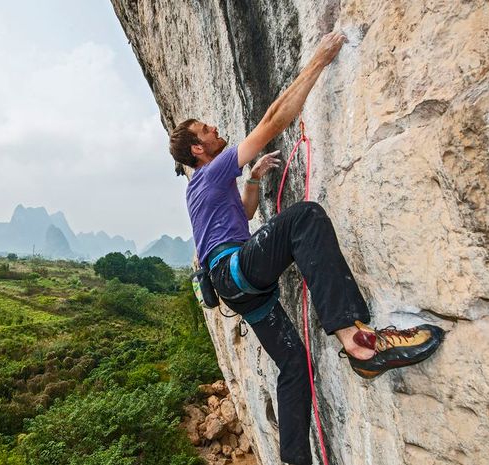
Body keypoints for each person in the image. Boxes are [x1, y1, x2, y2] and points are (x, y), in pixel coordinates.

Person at [169, 32, 444, 465]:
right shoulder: (214, 168)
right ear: (199, 149)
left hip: (239, 289)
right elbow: (273, 120)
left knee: (295, 365)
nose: (216, 128)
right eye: (207, 129)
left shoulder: (198, 189)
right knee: (305, 217)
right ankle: (355, 339)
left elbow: (240, 215)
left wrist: (255, 178)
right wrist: (317, 61)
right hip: (237, 272)